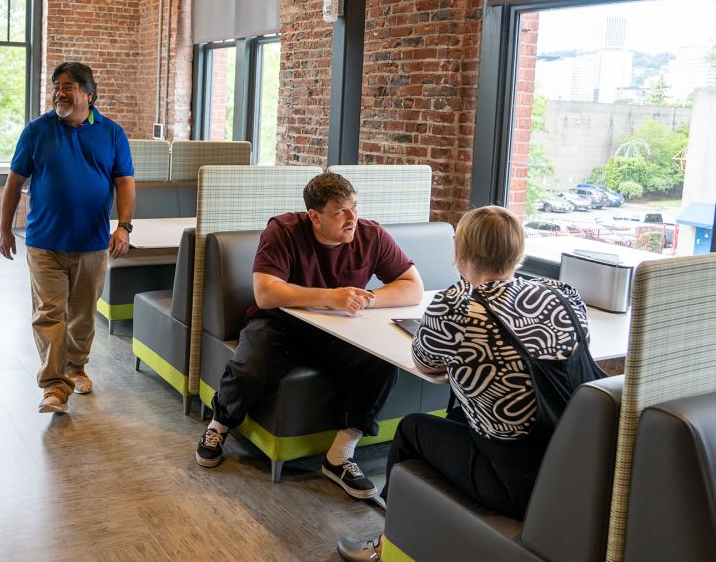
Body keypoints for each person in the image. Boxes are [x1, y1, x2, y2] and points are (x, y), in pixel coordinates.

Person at [337, 206, 596, 561]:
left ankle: (388, 545)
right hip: (575, 462)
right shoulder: (562, 294)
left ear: (461, 253)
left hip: (513, 482)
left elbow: (423, 362)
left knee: (412, 430)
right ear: (518, 252)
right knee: (456, 417)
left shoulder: (455, 308)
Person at [195, 172, 424, 499]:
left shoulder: (370, 234)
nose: (352, 218)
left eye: (355, 207)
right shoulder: (284, 231)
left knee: (382, 362)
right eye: (340, 212)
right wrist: (330, 297)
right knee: (250, 367)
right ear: (314, 216)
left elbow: (412, 286)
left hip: (339, 331)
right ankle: (219, 425)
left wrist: (369, 298)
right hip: (280, 326)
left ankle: (339, 456)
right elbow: (265, 293)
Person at [0, 61, 135, 414]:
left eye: (69, 85)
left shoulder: (111, 133)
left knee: (83, 314)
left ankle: (76, 367)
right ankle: (54, 386)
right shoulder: (37, 131)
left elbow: (125, 183)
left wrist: (124, 225)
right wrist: (4, 229)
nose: (60, 91)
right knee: (48, 314)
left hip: (91, 243)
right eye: (57, 85)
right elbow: (14, 182)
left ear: (89, 94)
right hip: (44, 242)